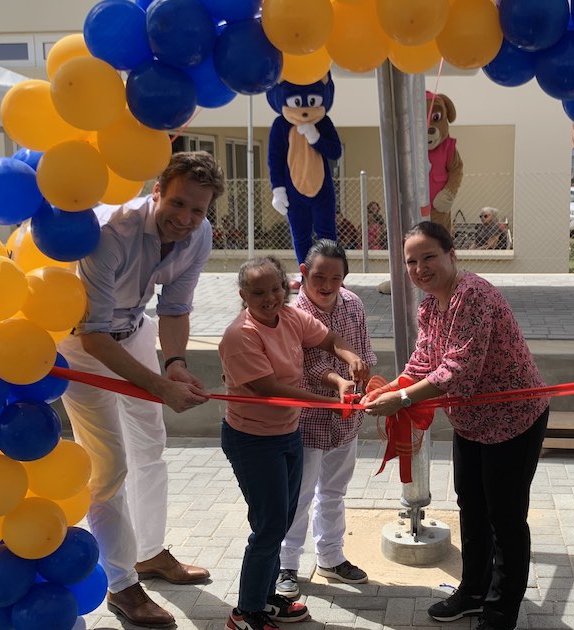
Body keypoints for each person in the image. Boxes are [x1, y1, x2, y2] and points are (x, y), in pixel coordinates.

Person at [56, 151, 223, 627]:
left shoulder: (200, 235)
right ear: (156, 192)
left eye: (198, 210)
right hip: (84, 346)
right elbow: (93, 336)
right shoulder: (108, 232)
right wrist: (159, 385)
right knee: (109, 467)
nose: (186, 219)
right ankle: (122, 585)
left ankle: (149, 554)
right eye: (178, 204)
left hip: (135, 331)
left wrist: (174, 365)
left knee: (151, 449)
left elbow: (174, 308)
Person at [363, 221, 549, 630]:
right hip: (472, 422)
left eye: (429, 256)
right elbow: (424, 360)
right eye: (411, 261)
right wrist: (390, 388)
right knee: (471, 505)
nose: (420, 268)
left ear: (452, 255)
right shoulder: (430, 304)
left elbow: (459, 370)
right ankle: (473, 591)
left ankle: (500, 614)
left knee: (505, 517)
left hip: (514, 420)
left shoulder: (473, 295)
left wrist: (404, 398)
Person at [218, 255, 367, 630]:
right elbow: (270, 389)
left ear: (285, 288)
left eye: (275, 289)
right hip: (251, 440)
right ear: (243, 295)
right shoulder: (241, 335)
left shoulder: (290, 316)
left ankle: (267, 599)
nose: (269, 298)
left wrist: (351, 358)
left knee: (281, 520)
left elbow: (327, 337)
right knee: (268, 525)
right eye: (258, 292)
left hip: (287, 433)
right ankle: (246, 612)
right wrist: (333, 401)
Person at [276, 240, 377, 599]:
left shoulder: (354, 305)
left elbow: (364, 351)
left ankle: (331, 557)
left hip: (347, 421)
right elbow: (306, 363)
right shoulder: (290, 312)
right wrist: (338, 381)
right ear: (303, 273)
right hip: (307, 420)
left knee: (334, 490)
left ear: (345, 279)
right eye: (319, 276)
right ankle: (286, 565)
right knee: (298, 495)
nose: (327, 285)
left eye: (336, 277)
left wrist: (365, 380)